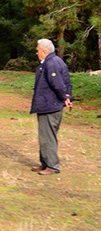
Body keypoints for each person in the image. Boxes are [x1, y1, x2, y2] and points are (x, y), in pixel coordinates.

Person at [30, 39, 72, 175]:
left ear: (43, 51)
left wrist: (65, 98)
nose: (36, 53)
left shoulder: (52, 63)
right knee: (45, 136)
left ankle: (52, 166)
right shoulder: (51, 62)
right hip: (47, 105)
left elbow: (58, 84)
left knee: (48, 137)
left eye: (37, 50)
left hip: (50, 106)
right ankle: (45, 163)